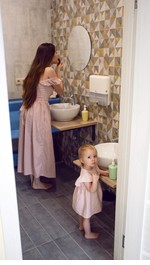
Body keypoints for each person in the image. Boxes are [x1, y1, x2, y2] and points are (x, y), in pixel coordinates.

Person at [18, 43, 63, 190]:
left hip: (28, 109)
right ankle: (37, 182)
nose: (57, 54)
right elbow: (60, 90)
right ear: (50, 55)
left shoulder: (34, 71)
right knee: (40, 144)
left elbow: (25, 94)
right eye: (55, 52)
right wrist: (59, 69)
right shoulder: (49, 70)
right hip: (39, 110)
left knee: (32, 143)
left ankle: (34, 177)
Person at [72, 144, 109, 239]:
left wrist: (103, 172)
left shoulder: (92, 165)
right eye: (89, 157)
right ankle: (88, 234)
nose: (93, 159)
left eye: (95, 156)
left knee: (82, 211)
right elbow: (91, 190)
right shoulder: (85, 175)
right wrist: (95, 180)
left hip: (84, 195)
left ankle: (81, 226)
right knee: (86, 215)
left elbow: (97, 170)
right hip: (87, 196)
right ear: (82, 160)